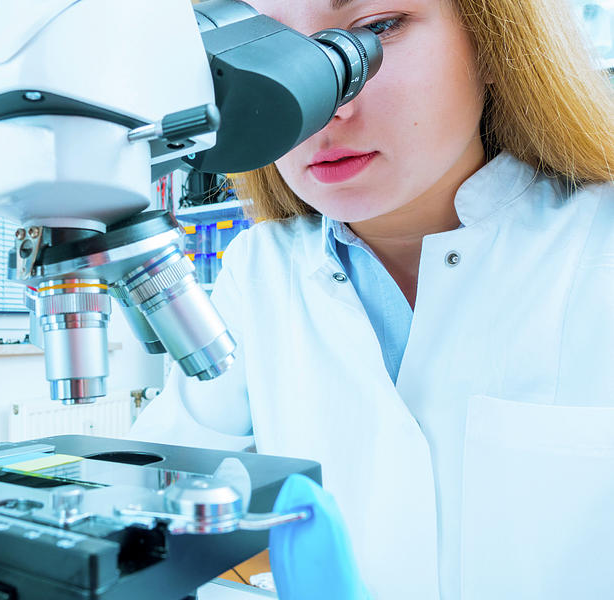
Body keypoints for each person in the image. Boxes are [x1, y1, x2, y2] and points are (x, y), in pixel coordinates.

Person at [130, 0, 614, 597]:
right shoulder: (259, 274)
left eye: (376, 28)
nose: (322, 105)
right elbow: (157, 501)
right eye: (265, 50)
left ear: (493, 43)